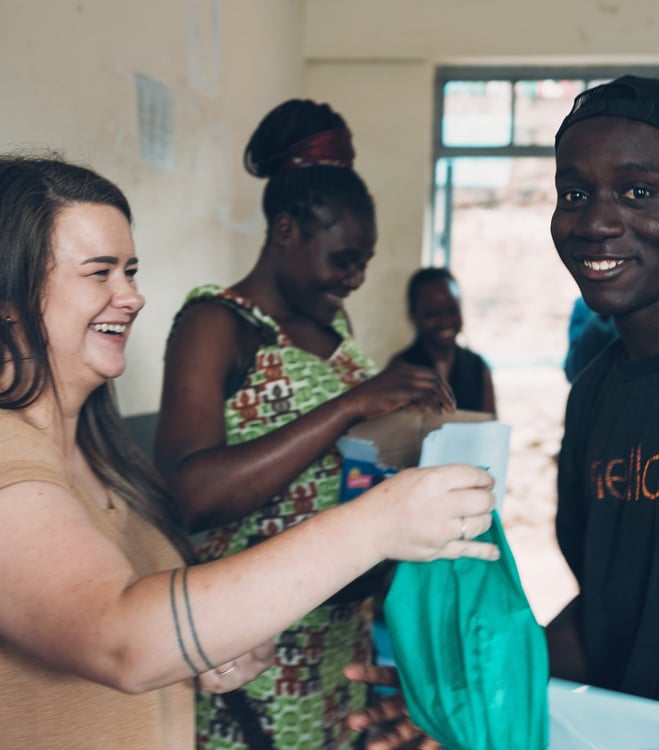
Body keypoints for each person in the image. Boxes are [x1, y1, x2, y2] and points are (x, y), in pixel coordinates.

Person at [0, 153, 500, 750]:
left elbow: (121, 632)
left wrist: (198, 649)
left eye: (130, 271)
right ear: (10, 295)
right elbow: (120, 637)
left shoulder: (102, 458)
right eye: (99, 273)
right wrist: (379, 523)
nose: (132, 296)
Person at [343, 75, 659, 750]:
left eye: (638, 192)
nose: (594, 222)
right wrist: (465, 700)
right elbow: (605, 618)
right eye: (573, 194)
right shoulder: (596, 393)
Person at [153, 100, 468, 750]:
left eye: (365, 262)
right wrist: (350, 405)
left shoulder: (335, 330)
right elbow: (189, 494)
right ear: (286, 229)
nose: (354, 279)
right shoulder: (217, 324)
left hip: (338, 641)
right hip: (251, 651)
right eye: (343, 259)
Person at [389, 267, 496, 414]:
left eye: (452, 310)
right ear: (414, 315)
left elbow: (489, 423)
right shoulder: (401, 369)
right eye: (432, 314)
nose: (445, 321)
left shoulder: (478, 367)